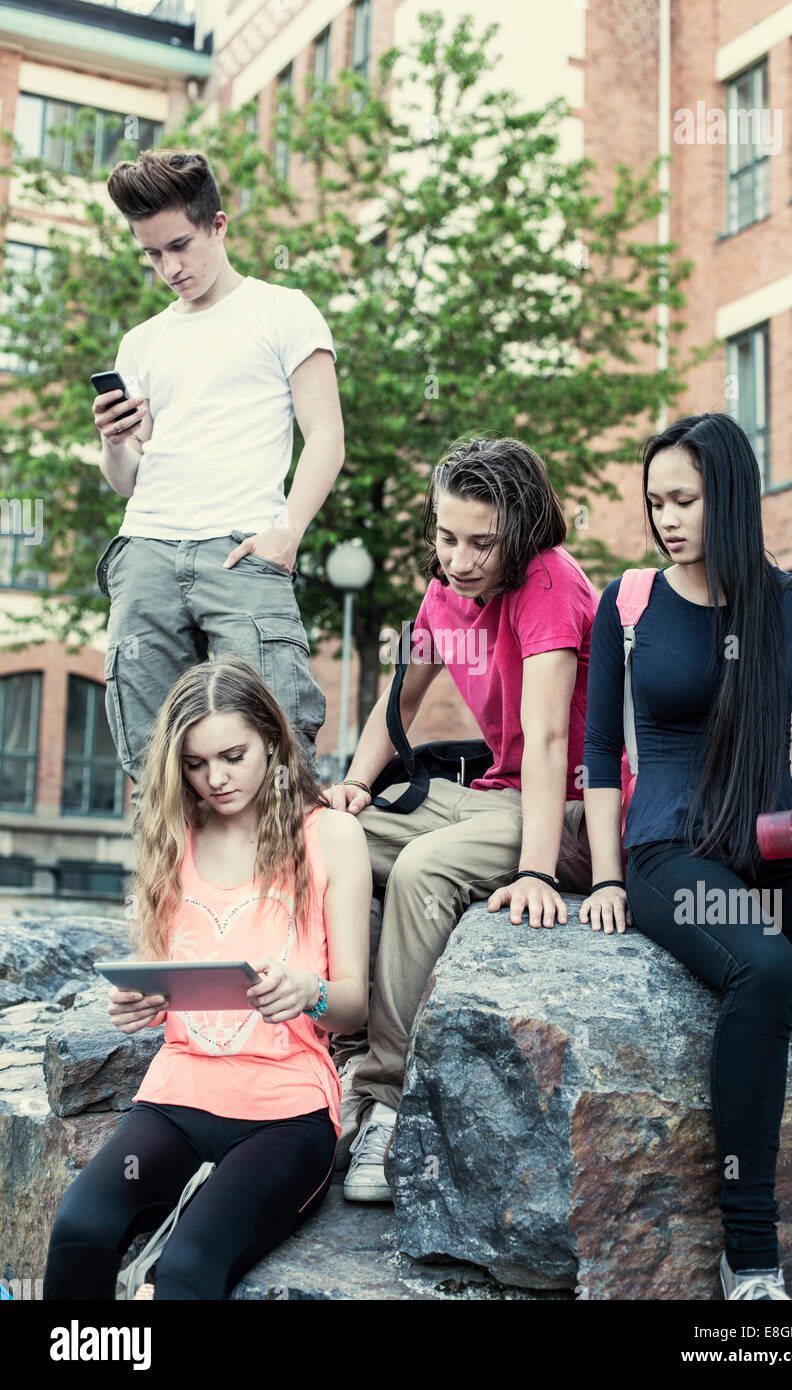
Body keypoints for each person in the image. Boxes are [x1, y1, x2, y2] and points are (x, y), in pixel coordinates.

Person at [579, 413, 792, 1301]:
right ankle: (751, 1260)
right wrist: (607, 881)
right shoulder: (627, 603)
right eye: (655, 500)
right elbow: (597, 755)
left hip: (780, 839)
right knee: (768, 968)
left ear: (730, 498)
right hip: (673, 856)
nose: (666, 517)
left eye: (685, 499)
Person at [43, 657, 370, 1301]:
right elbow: (170, 987)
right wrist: (143, 1004)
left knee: (189, 1267)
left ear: (272, 741)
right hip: (177, 1099)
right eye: (195, 764)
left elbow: (353, 1007)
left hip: (286, 1115)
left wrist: (311, 991)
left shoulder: (332, 835)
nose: (215, 779)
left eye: (232, 756)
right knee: (82, 1224)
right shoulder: (172, 837)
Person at [325, 436, 598, 1200]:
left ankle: (383, 1101)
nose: (461, 558)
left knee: (422, 867)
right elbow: (402, 699)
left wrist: (539, 869)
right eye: (447, 537)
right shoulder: (444, 591)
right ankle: (337, 1049)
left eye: (482, 542)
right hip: (493, 791)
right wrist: (353, 783)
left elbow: (547, 739)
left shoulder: (549, 585)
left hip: (574, 808)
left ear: (521, 533)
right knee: (329, 834)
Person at [92, 148, 343, 783]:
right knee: (154, 760)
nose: (169, 267)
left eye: (179, 245)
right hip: (147, 543)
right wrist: (116, 442)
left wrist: (289, 532)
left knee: (276, 737)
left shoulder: (282, 310)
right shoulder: (141, 341)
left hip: (241, 546)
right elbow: (128, 480)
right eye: (151, 254)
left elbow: (326, 439)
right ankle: (171, 885)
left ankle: (284, 880)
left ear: (218, 225)